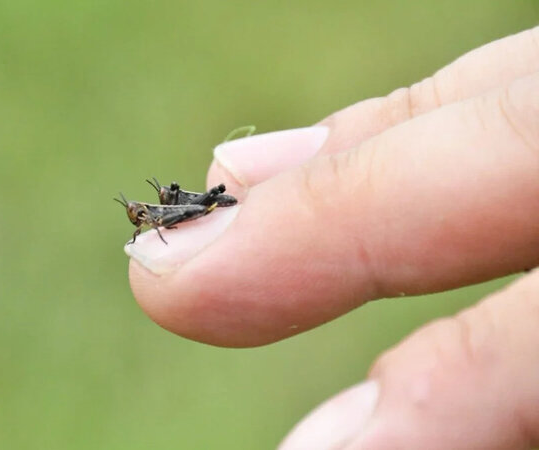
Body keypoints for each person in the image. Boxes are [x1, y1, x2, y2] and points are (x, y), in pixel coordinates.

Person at [124, 26, 539, 449]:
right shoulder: (152, 217)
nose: (145, 210)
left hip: (205, 205)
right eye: (141, 211)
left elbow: (175, 214)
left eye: (142, 210)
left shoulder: (163, 211)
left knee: (205, 200)